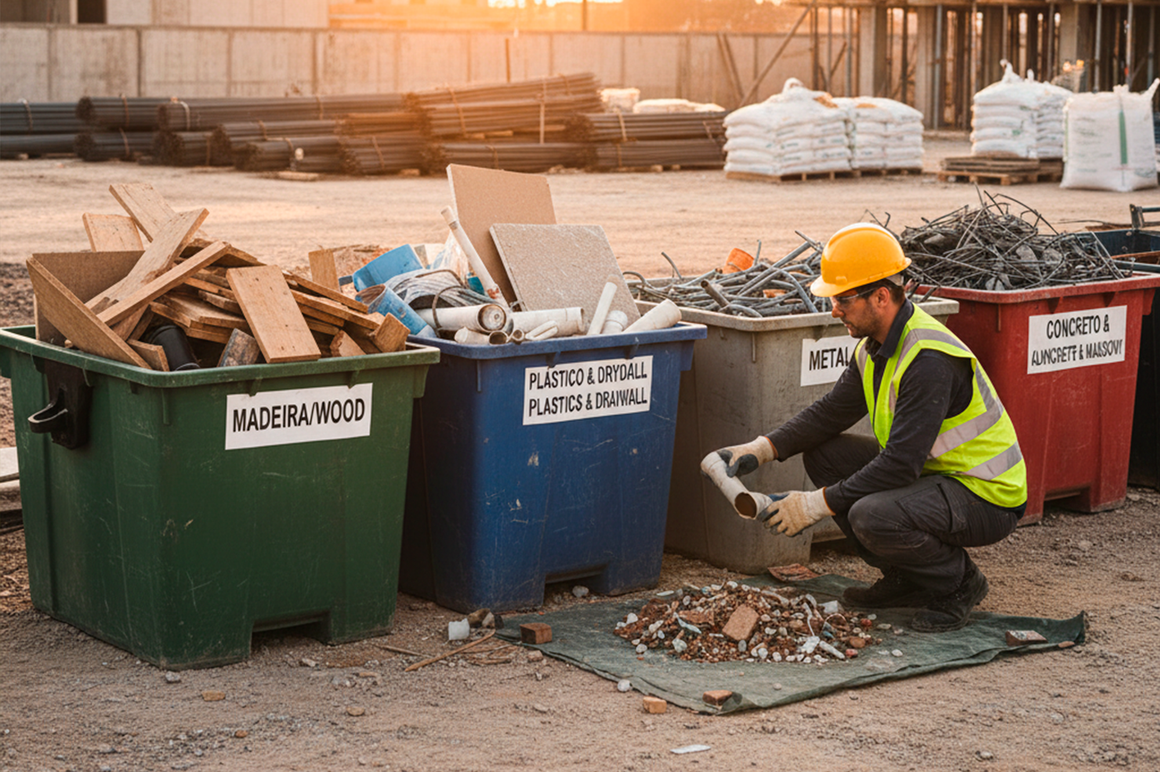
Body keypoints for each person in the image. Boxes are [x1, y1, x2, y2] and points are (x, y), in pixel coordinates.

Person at [714, 223, 1027, 633]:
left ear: (881, 296)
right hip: (938, 479)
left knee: (871, 515)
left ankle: (959, 584)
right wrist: (762, 447)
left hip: (987, 494)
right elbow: (831, 413)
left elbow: (900, 465)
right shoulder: (875, 347)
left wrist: (814, 505)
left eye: (843, 299)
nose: (834, 310)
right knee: (827, 456)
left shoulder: (928, 359)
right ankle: (908, 578)